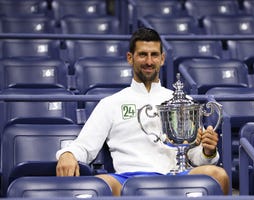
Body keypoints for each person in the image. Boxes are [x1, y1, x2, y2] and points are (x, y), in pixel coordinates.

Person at [56, 27, 229, 196]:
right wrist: (67, 154)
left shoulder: (183, 102)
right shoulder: (110, 103)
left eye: (154, 55)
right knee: (98, 185)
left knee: (218, 176)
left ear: (162, 59)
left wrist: (208, 151)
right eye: (142, 55)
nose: (148, 61)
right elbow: (85, 145)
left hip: (175, 176)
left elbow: (193, 156)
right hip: (128, 179)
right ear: (130, 58)